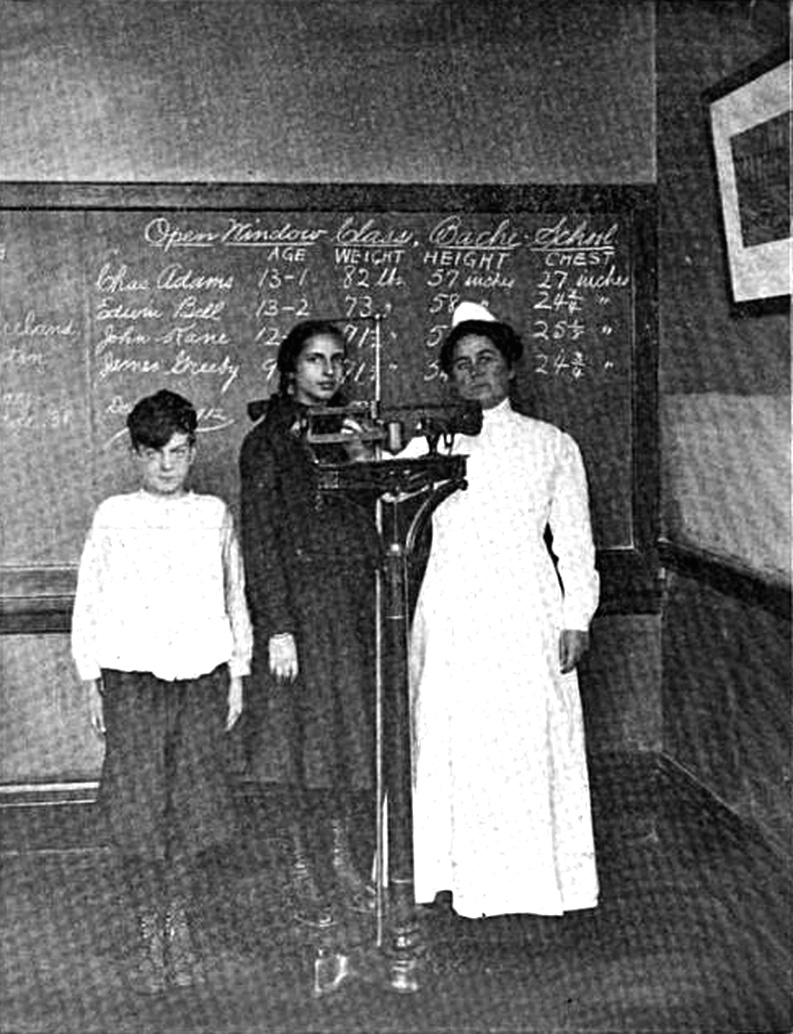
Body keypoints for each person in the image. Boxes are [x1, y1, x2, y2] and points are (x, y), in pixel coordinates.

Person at [409, 301, 600, 920]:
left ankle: (536, 889)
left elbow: (574, 542)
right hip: (453, 609)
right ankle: (460, 887)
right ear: (449, 378)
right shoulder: (427, 445)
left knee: (525, 746)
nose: (475, 373)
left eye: (486, 359)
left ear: (510, 367)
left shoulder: (552, 445)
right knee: (456, 742)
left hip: (526, 611)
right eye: (461, 365)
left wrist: (578, 617)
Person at [71, 389, 252, 993]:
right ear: (135, 455)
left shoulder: (214, 514)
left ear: (193, 450)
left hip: (202, 675)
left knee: (195, 803)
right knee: (140, 804)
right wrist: (90, 680)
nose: (166, 466)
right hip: (132, 678)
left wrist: (238, 673)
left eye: (178, 451)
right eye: (153, 454)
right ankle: (150, 929)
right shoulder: (113, 515)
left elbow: (234, 596)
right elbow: (90, 600)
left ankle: (181, 926)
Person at [239, 319, 380, 927]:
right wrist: (277, 627)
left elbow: (375, 519)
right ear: (289, 368)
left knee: (346, 747)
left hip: (349, 612)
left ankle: (346, 864)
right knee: (299, 750)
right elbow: (260, 540)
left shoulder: (350, 431)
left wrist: (363, 456)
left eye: (337, 360)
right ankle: (304, 869)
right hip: (298, 616)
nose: (329, 372)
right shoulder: (267, 441)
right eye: (316, 360)